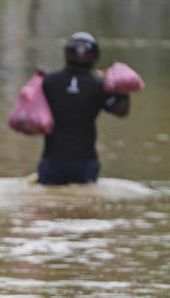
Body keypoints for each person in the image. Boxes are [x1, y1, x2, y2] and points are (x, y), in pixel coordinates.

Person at [37, 32, 130, 185]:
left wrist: (41, 77)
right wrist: (123, 91)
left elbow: (27, 108)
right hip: (85, 163)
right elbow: (121, 111)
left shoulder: (49, 83)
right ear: (94, 56)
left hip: (53, 160)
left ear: (67, 53)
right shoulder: (99, 87)